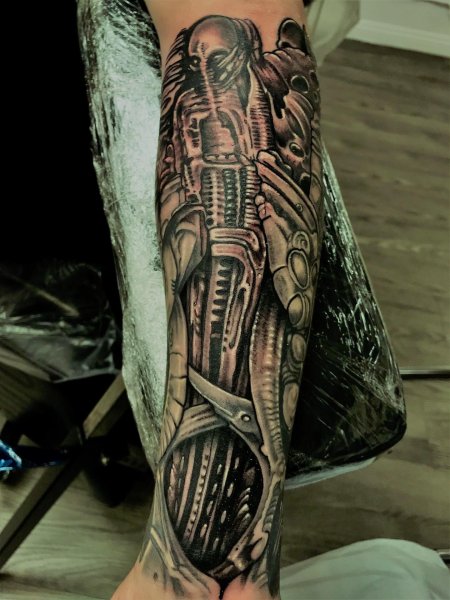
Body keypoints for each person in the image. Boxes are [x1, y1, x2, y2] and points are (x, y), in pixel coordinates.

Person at [113, 1, 323, 599]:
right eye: (200, 65)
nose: (209, 79)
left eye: (221, 63)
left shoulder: (246, 106)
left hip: (241, 262)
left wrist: (185, 571)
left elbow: (241, 6)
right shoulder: (198, 112)